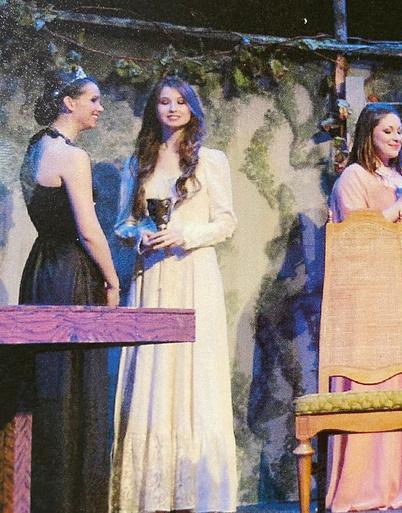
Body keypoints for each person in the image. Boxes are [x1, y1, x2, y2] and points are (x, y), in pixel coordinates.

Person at [109, 76, 238, 513]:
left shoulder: (211, 160)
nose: (172, 108)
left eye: (181, 101)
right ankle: (152, 493)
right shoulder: (139, 162)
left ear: (192, 108)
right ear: (155, 109)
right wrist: (140, 235)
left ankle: (197, 491)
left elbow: (226, 222)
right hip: (153, 278)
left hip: (194, 274)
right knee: (152, 375)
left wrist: (185, 234)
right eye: (164, 102)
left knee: (195, 374)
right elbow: (122, 223)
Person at [327, 102, 402, 511]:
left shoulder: (399, 177)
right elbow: (357, 238)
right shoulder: (353, 178)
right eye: (388, 131)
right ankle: (372, 481)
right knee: (378, 377)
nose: (397, 138)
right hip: (372, 295)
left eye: (400, 132)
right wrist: (401, 201)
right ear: (369, 134)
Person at [18, 68, 120, 513]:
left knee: (47, 384)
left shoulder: (35, 147)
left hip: (41, 269)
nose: (99, 107)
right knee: (73, 387)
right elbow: (89, 231)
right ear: (68, 102)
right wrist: (112, 279)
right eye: (92, 99)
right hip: (71, 275)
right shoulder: (72, 156)